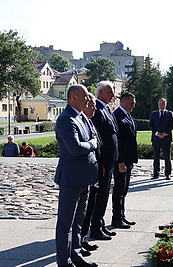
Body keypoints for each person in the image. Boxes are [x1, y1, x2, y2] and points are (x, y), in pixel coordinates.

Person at [54, 84, 99, 267]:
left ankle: (76, 255)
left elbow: (89, 138)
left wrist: (90, 142)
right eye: (84, 97)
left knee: (78, 222)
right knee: (66, 223)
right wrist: (93, 143)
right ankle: (64, 262)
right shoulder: (66, 119)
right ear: (73, 97)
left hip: (84, 179)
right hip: (71, 179)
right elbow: (76, 148)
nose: (88, 100)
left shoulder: (81, 117)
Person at [87, 81, 119, 241]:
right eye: (110, 93)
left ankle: (100, 224)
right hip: (104, 162)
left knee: (105, 194)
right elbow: (98, 140)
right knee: (100, 196)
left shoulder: (106, 109)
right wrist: (102, 164)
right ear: (100, 93)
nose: (113, 96)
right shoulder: (97, 110)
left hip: (110, 161)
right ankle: (95, 227)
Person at [111, 92, 138, 228]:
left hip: (127, 160)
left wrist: (131, 160)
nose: (133, 106)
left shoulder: (127, 115)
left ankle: (122, 216)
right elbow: (117, 142)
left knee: (124, 189)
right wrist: (120, 161)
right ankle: (116, 218)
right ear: (122, 102)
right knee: (119, 189)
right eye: (131, 103)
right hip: (120, 160)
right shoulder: (117, 116)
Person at [80, 92, 102, 252]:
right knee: (83, 211)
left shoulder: (89, 121)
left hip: (94, 170)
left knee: (90, 208)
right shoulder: (80, 121)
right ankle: (79, 241)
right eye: (92, 105)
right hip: (85, 172)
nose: (95, 108)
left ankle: (84, 238)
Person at [149, 98, 173, 180]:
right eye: (160, 104)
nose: (161, 105)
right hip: (156, 138)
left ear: (166, 104)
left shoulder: (169, 113)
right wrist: (156, 133)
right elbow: (151, 125)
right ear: (158, 104)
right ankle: (156, 173)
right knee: (156, 157)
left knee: (167, 157)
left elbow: (172, 125)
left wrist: (165, 133)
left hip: (166, 138)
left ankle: (168, 174)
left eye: (163, 104)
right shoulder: (154, 114)